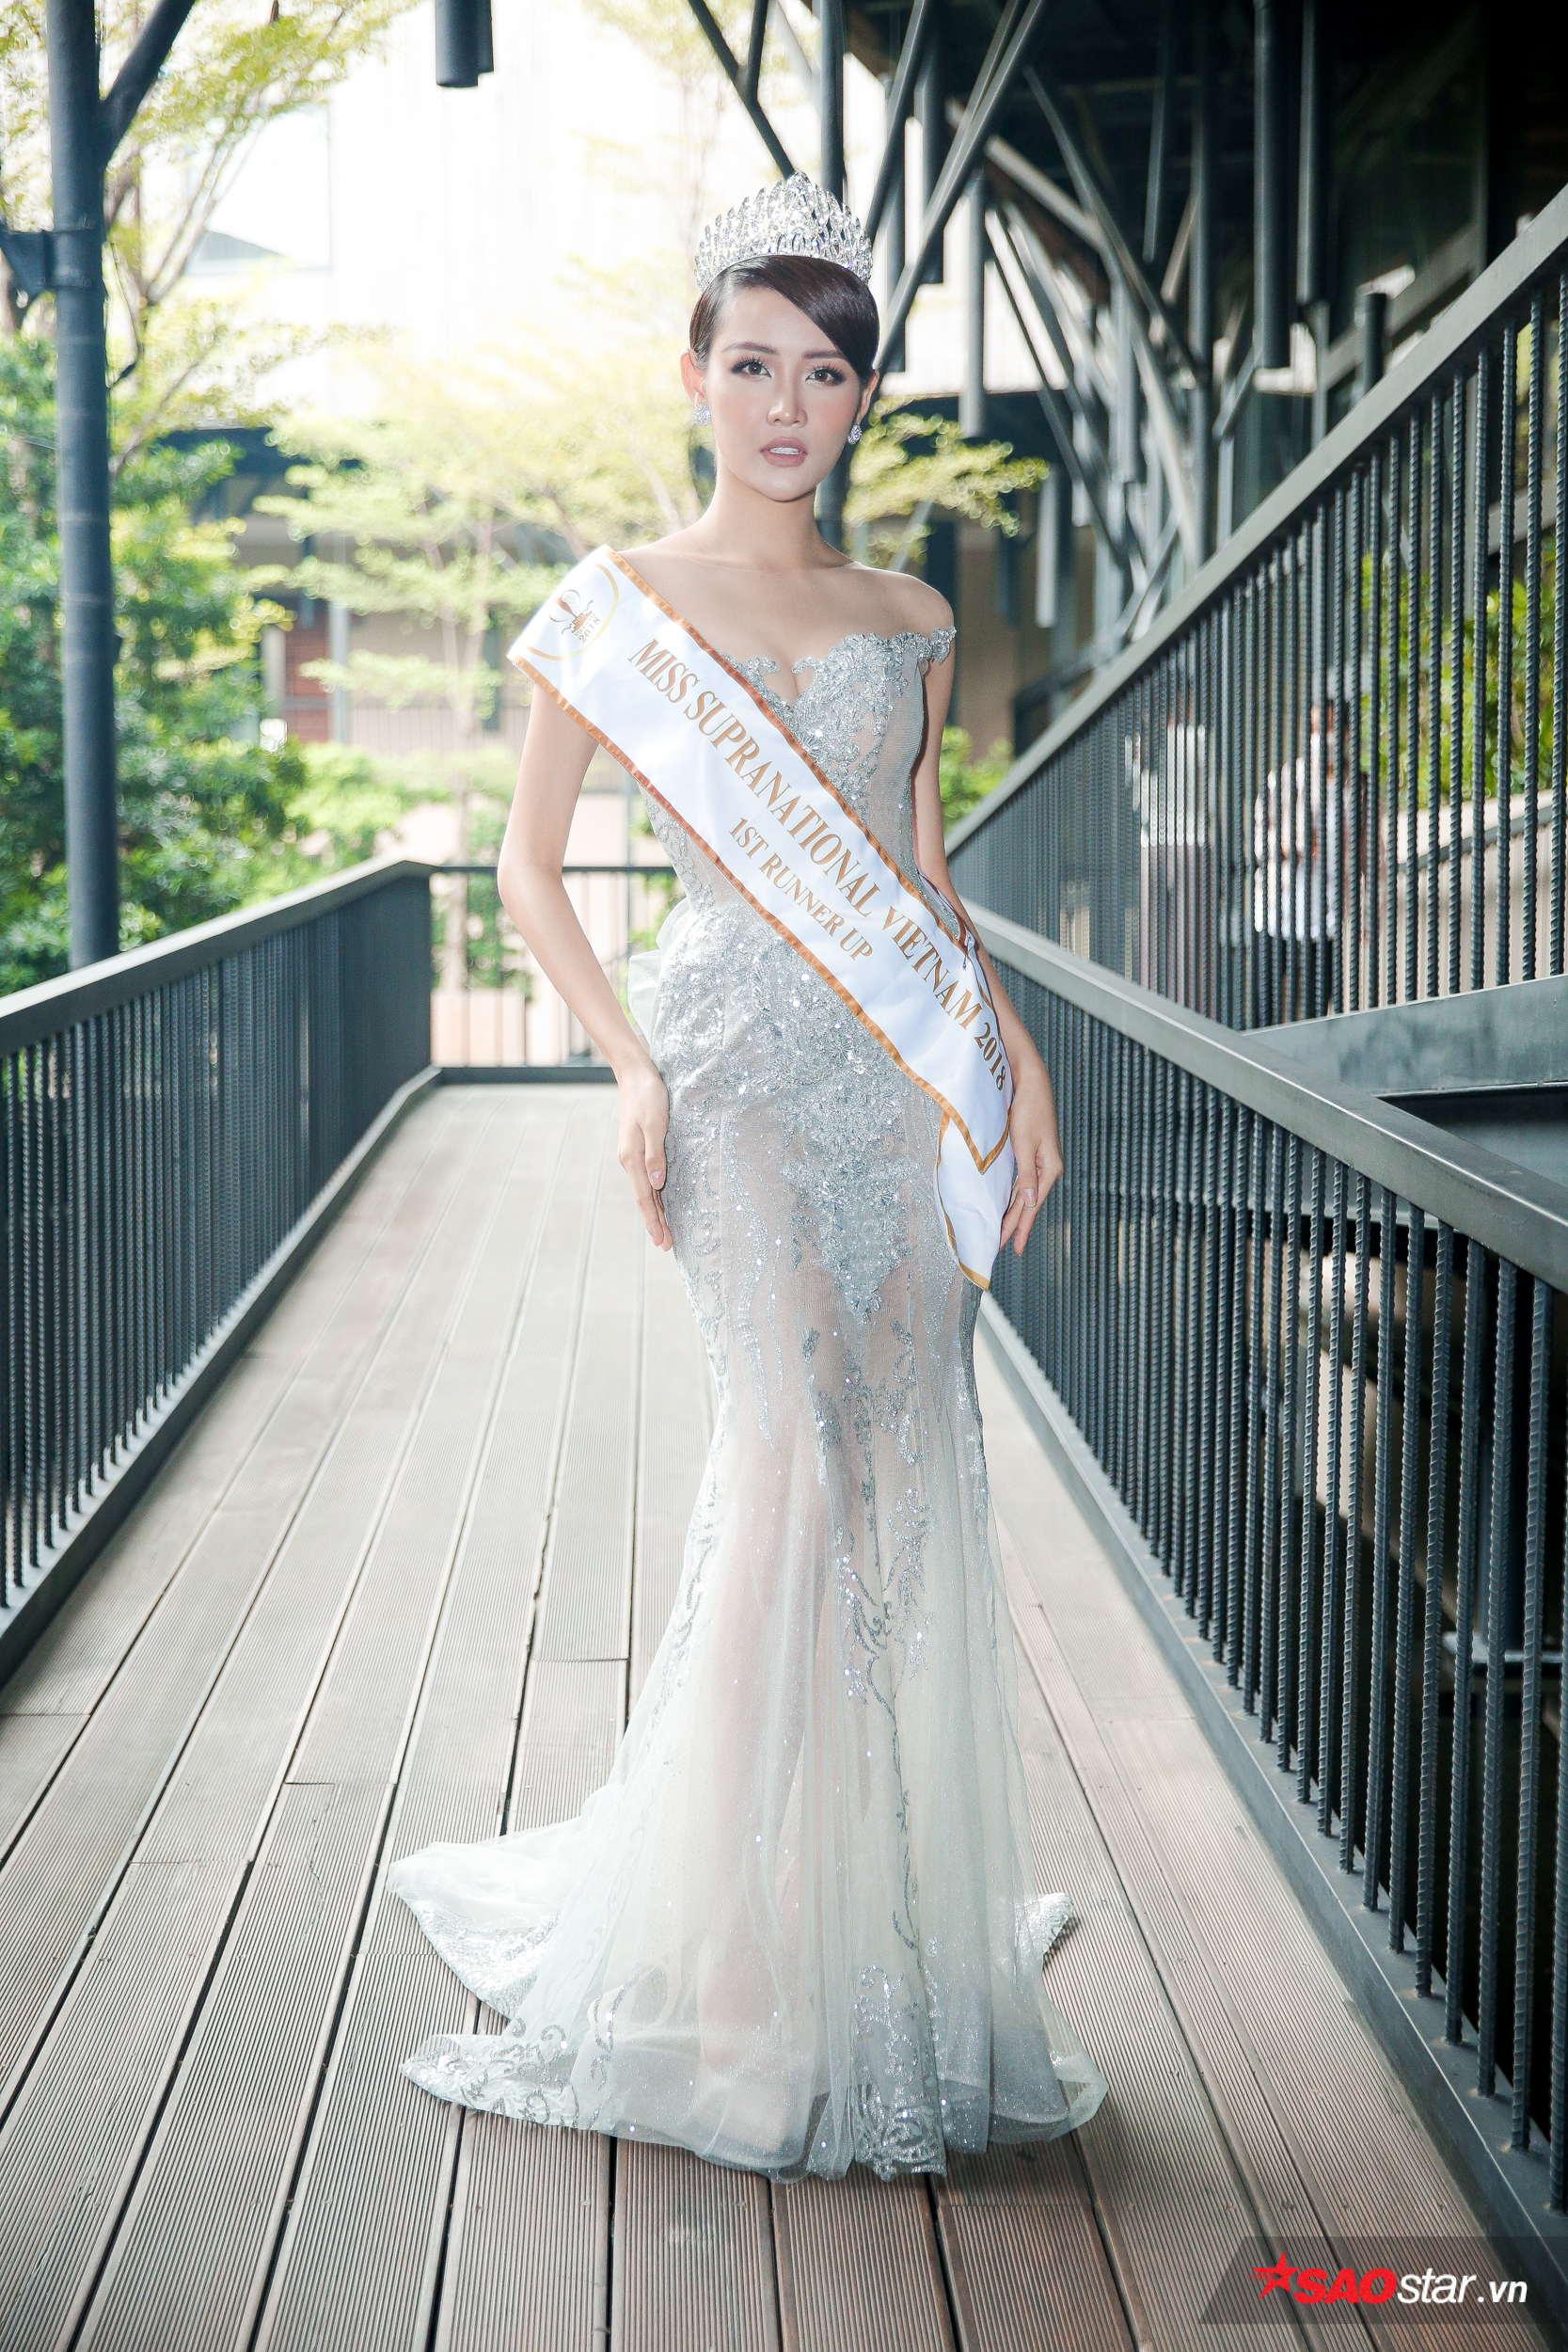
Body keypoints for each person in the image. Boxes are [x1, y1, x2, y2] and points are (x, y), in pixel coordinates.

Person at [388, 175, 1108, 2180]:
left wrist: (1015, 1051)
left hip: (894, 1076)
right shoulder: (618, 604)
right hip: (730, 1073)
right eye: (757, 364)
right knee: (788, 1465)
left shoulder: (912, 620)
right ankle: (720, 1975)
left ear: (863, 399)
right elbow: (528, 866)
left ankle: (858, 1921)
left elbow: (921, 875)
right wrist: (626, 1061)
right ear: (695, 372)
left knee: (889, 1484)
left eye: (829, 374)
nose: (790, 405)